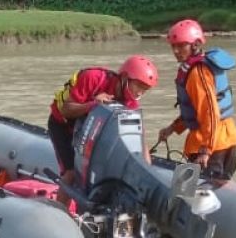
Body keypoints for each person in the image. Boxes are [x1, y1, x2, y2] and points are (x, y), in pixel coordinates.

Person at [47, 54, 158, 203]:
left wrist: (147, 169)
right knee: (71, 173)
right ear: (125, 77)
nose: (140, 93)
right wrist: (93, 105)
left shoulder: (130, 103)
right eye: (138, 86)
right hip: (63, 124)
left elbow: (140, 138)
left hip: (91, 129)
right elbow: (66, 110)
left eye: (145, 90)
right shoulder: (93, 78)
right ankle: (59, 212)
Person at [155, 18, 236, 180]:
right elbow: (195, 110)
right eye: (174, 46)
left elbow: (210, 112)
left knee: (204, 197)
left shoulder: (197, 73)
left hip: (211, 145)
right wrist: (173, 128)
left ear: (195, 45)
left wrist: (206, 150)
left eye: (181, 46)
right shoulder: (200, 67)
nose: (176, 51)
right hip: (225, 138)